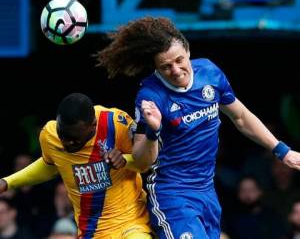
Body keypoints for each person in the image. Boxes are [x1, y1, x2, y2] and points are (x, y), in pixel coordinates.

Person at [95, 16, 300, 239]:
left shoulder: (210, 73)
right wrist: (153, 130)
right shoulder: (150, 96)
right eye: (166, 67)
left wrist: (282, 151)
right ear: (156, 68)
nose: (176, 70)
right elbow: (143, 162)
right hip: (172, 194)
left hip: (207, 191)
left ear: (188, 51)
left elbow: (241, 117)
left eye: (179, 60)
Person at [0, 93, 153, 239]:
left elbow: (145, 162)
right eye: (63, 135)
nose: (67, 143)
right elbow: (50, 165)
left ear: (93, 125)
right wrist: (8, 182)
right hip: (92, 230)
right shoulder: (50, 135)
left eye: (74, 139)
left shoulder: (115, 123)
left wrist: (125, 160)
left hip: (132, 221)